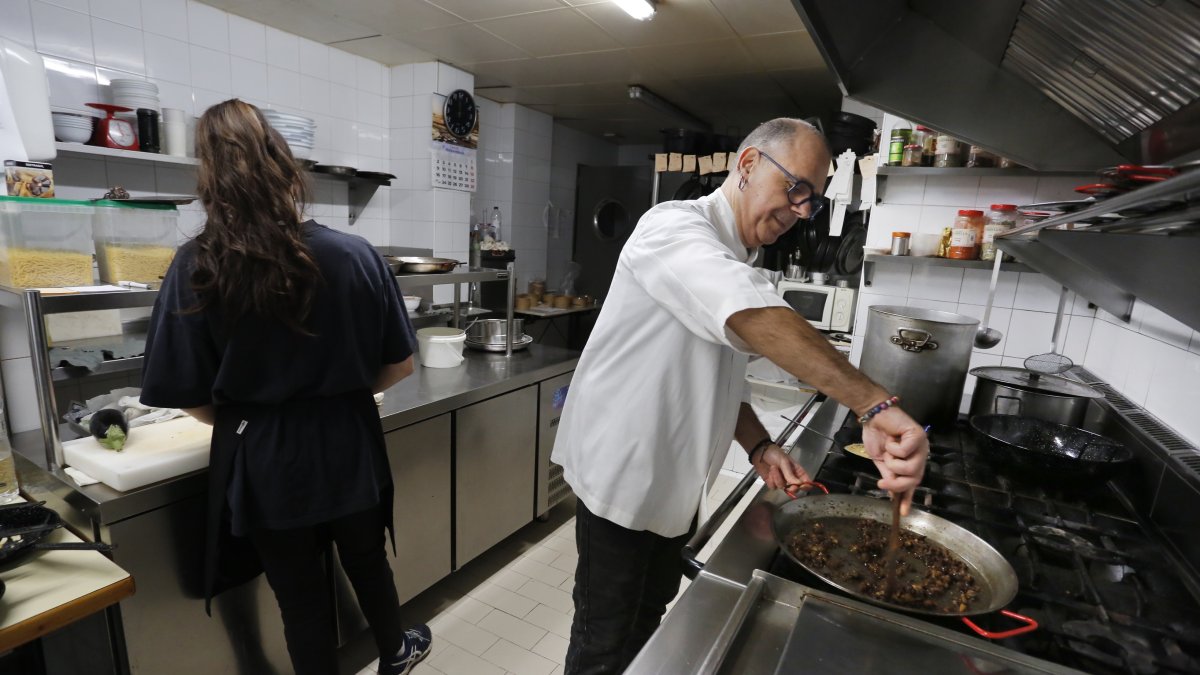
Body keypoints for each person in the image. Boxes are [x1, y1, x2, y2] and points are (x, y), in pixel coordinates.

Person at [551, 118, 930, 674]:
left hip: (672, 483)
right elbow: (754, 317)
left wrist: (759, 447)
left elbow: (717, 377)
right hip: (623, 478)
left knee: (648, 619)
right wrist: (873, 403)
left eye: (812, 200)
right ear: (748, 165)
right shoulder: (673, 230)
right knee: (603, 641)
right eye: (796, 188)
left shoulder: (738, 258)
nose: (803, 210)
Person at [140, 99, 431, 675]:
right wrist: (341, 394)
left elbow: (185, 390)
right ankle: (395, 652)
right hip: (349, 438)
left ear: (208, 177)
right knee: (368, 559)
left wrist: (252, 418)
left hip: (265, 455)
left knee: (299, 598)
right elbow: (400, 366)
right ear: (283, 164)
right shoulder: (354, 253)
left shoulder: (196, 265)